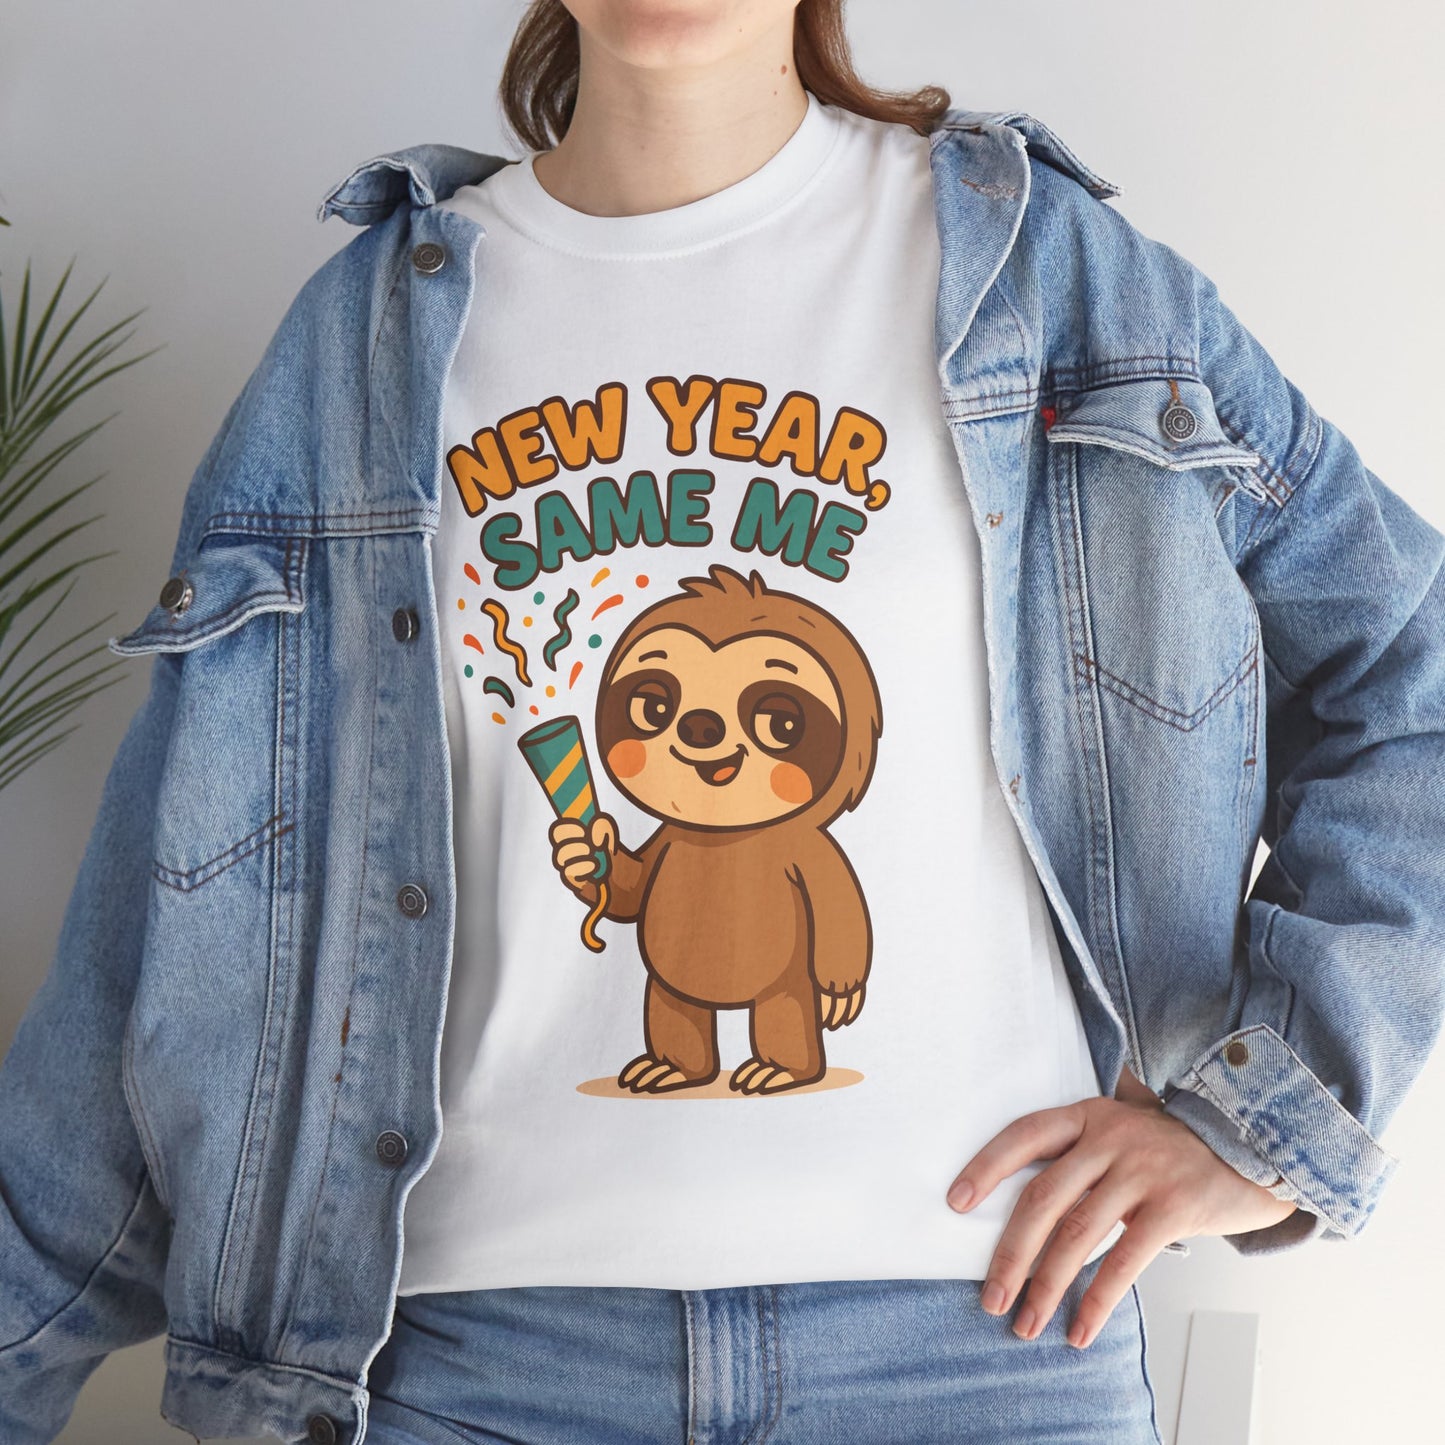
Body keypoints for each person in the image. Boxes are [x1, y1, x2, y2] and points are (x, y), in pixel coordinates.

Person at [3, 2, 1442, 1442]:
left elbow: (1407, 670)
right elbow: (174, 918)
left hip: (982, 1339)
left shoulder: (1056, 284)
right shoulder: (357, 342)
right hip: (468, 1365)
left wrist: (1272, 1121)